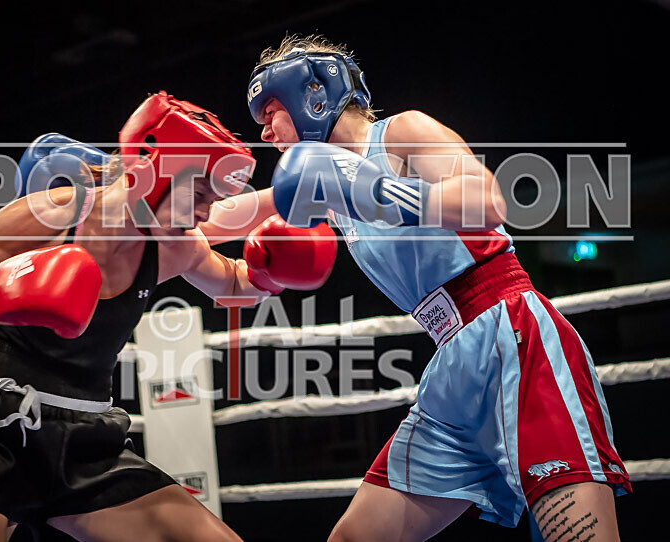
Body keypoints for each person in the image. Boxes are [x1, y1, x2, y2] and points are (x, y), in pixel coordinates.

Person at [220, 35, 631, 541]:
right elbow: (217, 218)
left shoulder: (401, 133)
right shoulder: (321, 183)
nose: (264, 133)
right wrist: (139, 200)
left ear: (313, 96)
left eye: (270, 113)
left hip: (515, 340)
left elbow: (487, 201)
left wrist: (378, 193)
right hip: (453, 367)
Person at [0, 91, 336, 542]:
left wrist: (271, 271)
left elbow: (235, 284)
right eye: (200, 194)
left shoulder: (175, 245)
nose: (205, 211)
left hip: (88, 444)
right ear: (151, 170)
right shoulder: (50, 216)